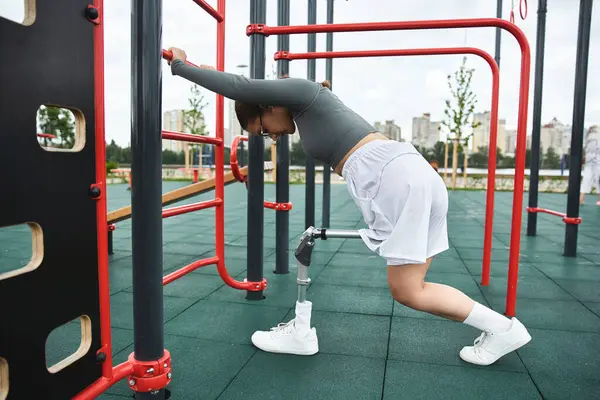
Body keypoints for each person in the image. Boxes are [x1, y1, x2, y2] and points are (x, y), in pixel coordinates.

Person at [167, 47, 531, 366]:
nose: (270, 135)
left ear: (266, 104)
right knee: (412, 288)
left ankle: (503, 329)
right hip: (407, 175)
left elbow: (238, 87)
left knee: (408, 291)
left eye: (261, 128)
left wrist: (181, 65)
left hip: (393, 177)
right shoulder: (307, 109)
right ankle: (501, 330)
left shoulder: (304, 92)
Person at [580, 125, 600, 206]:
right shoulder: (596, 137)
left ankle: (581, 199)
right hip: (596, 162)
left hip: (590, 162)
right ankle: (598, 200)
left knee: (586, 180)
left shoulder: (588, 139)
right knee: (598, 180)